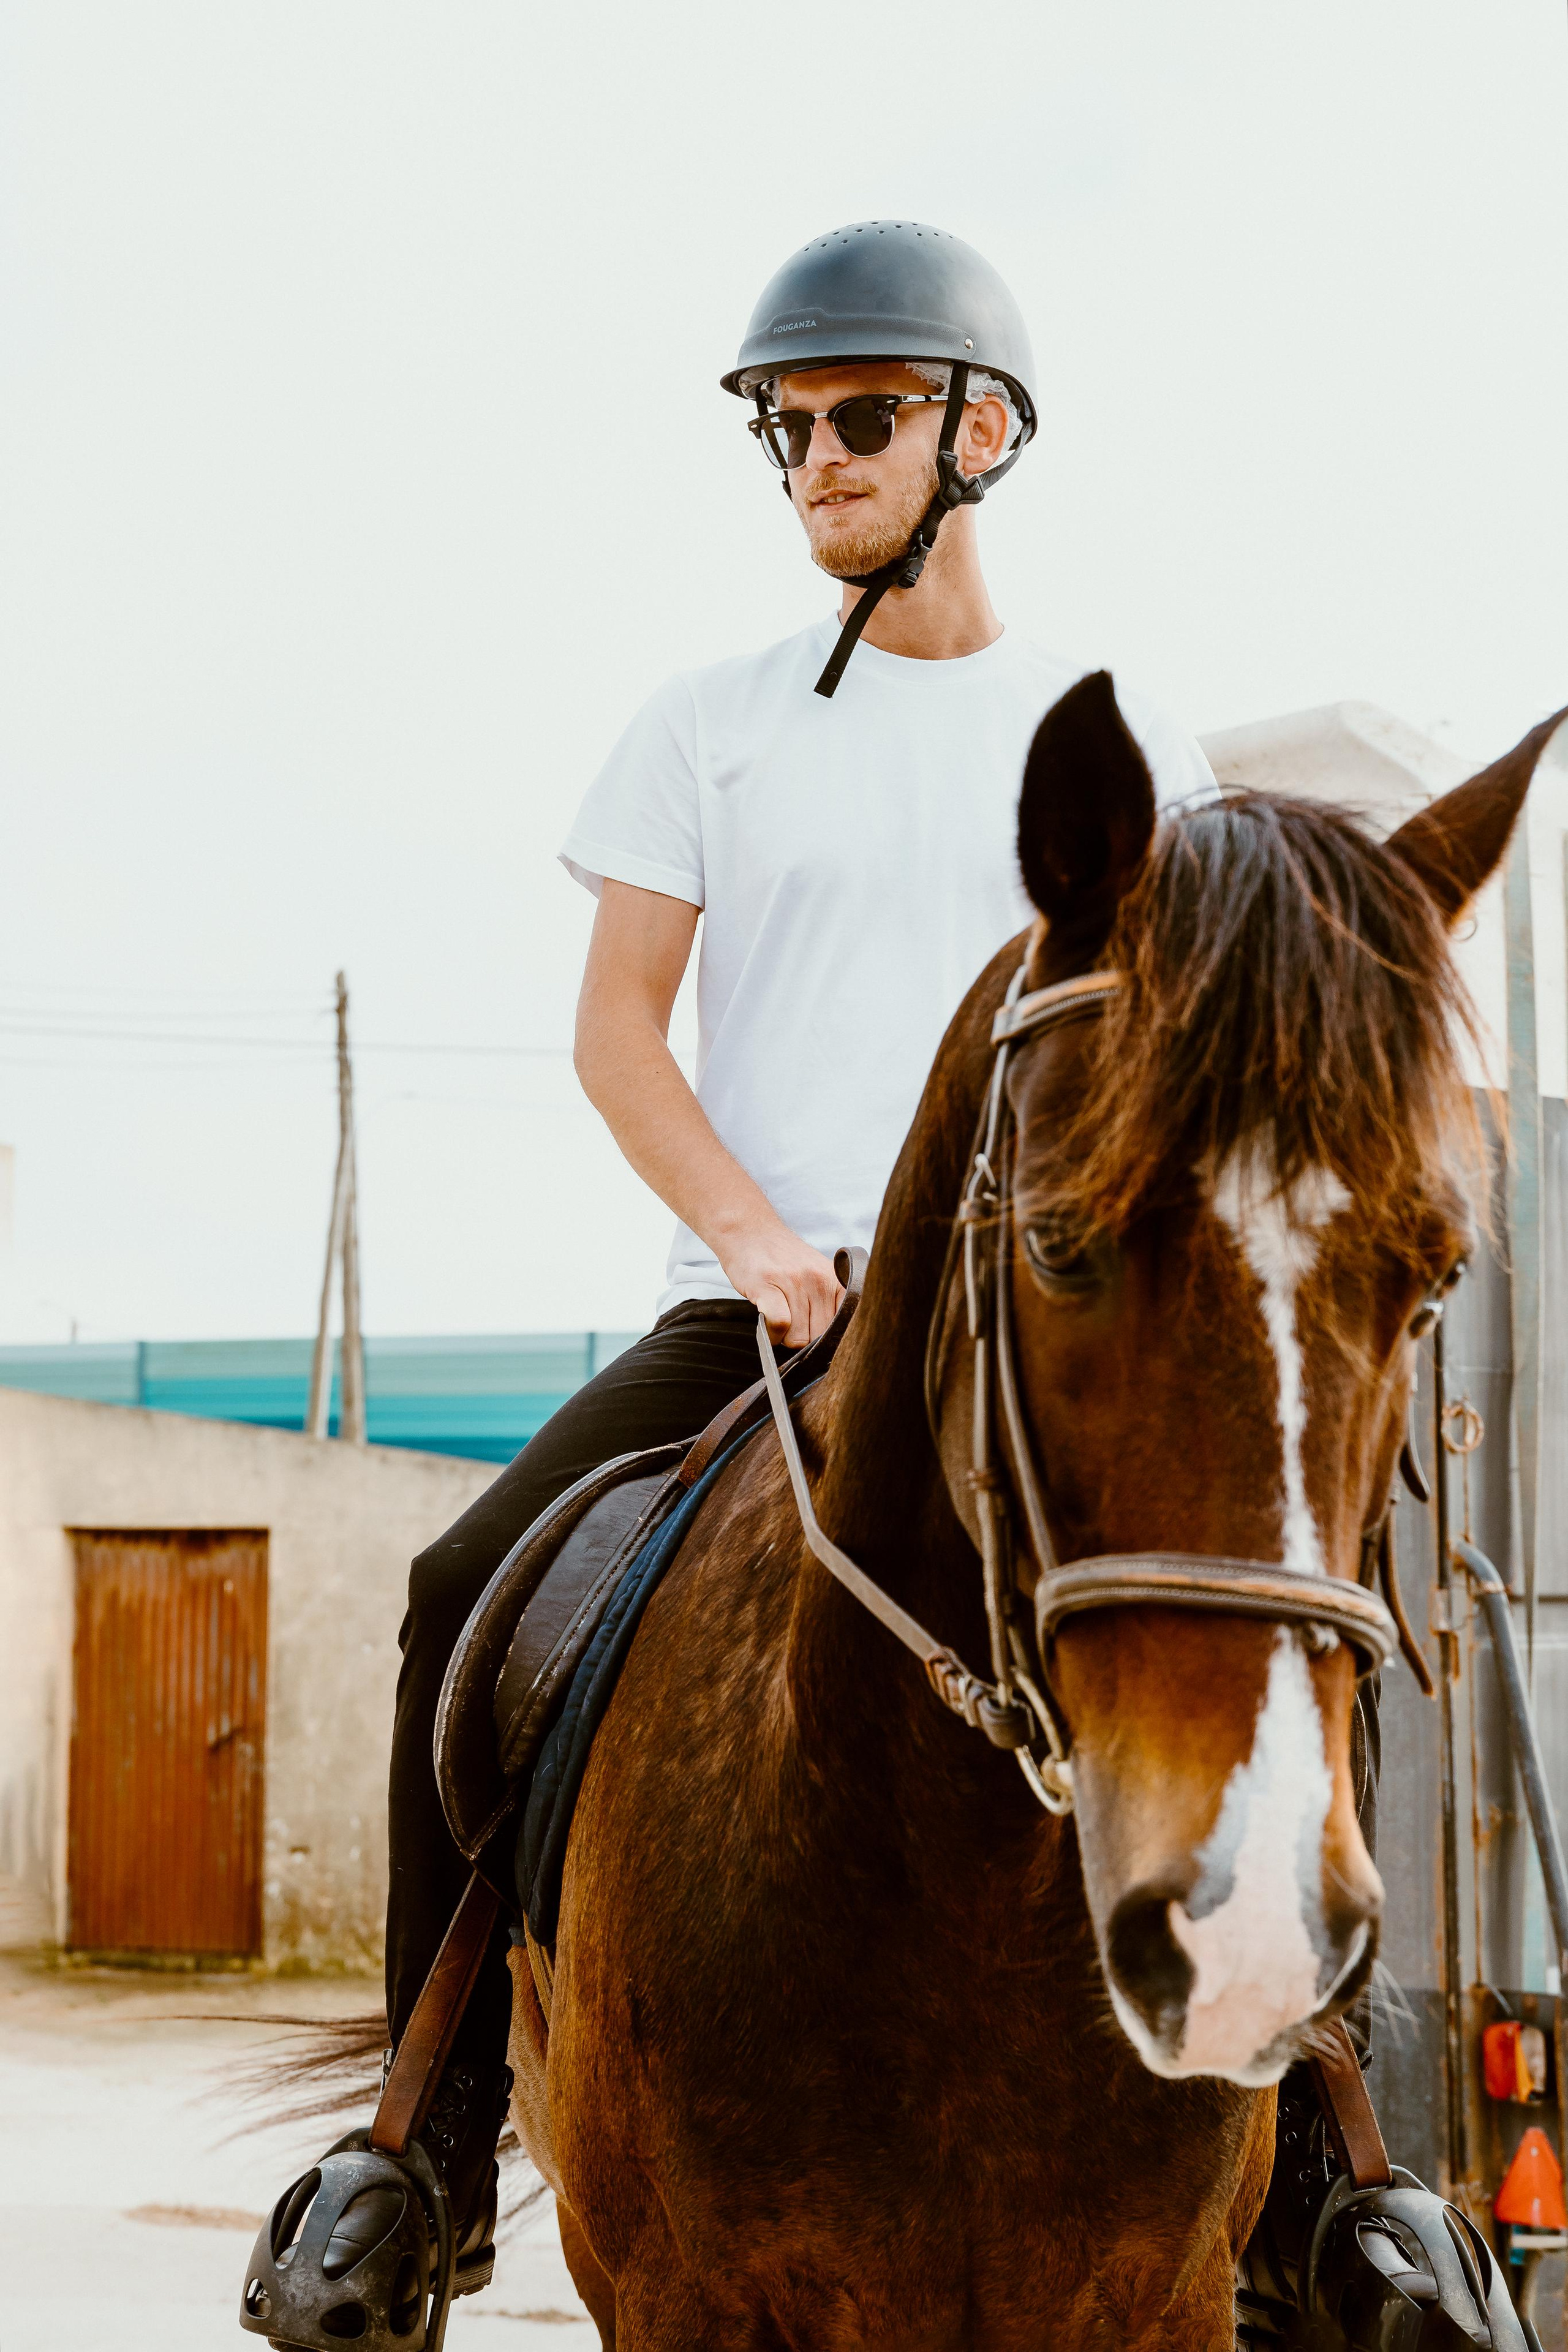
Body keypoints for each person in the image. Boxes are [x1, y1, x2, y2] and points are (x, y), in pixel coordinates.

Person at [260, 220, 1227, 2321]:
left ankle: (1340, 2166)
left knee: (1250, 1620)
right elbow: (620, 1035)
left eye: (855, 417)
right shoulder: (701, 728)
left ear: (982, 433)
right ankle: (422, 2157)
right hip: (769, 1310)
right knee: (456, 1592)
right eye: (785, 428)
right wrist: (760, 1242)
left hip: (1037, 1324)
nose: (812, 457)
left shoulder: (1120, 756)